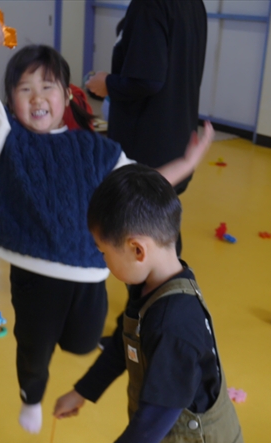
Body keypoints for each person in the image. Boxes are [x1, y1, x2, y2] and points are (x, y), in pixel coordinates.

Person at [0, 19, 214, 434]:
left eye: (48, 87)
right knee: (34, 351)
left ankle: (67, 347)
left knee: (81, 342)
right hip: (34, 272)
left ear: (67, 95)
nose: (37, 97)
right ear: (10, 100)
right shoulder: (6, 139)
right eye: (24, 89)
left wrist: (186, 163)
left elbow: (139, 183)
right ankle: (31, 397)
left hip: (89, 273)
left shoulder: (95, 148)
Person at [54, 164, 245, 443]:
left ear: (137, 249)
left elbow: (163, 407)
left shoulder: (173, 323)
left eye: (104, 253)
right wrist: (83, 391)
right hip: (159, 440)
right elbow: (124, 345)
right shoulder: (147, 289)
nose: (104, 261)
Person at [85, 0, 207, 256]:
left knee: (141, 231)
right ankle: (170, 279)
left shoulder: (150, 5)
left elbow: (146, 80)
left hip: (148, 140)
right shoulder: (194, 4)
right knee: (162, 228)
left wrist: (107, 83)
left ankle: (156, 282)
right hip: (177, 135)